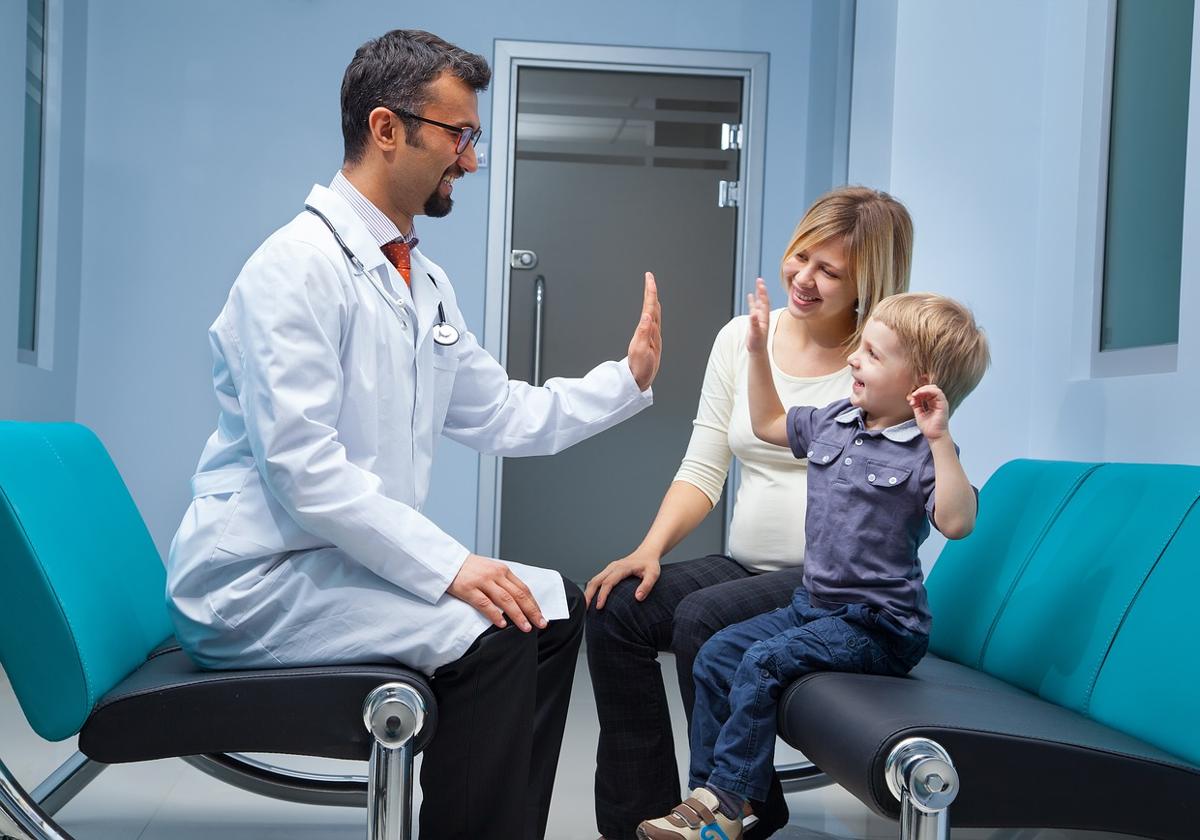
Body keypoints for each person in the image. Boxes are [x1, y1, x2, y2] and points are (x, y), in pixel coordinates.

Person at [165, 29, 662, 840]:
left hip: (339, 568)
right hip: (258, 581)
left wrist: (625, 382)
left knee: (555, 609)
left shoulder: (420, 278)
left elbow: (502, 411)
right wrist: (452, 567)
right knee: (498, 635)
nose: (470, 160)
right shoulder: (292, 268)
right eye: (459, 135)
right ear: (387, 128)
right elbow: (304, 473)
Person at [585, 186, 912, 840]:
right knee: (617, 605)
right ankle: (636, 823)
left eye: (831, 271)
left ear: (868, 282)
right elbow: (705, 465)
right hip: (746, 567)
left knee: (700, 619)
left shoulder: (883, 363)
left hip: (831, 585)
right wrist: (648, 549)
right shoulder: (743, 338)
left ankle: (727, 804)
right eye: (801, 257)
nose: (805, 278)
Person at [636, 288, 990, 840]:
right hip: (813, 608)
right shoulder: (838, 420)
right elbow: (769, 422)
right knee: (714, 656)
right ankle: (709, 808)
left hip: (880, 628)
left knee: (762, 662)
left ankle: (729, 803)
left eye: (873, 354)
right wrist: (756, 352)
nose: (854, 358)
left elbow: (958, 521)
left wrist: (940, 439)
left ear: (920, 384)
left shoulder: (923, 454)